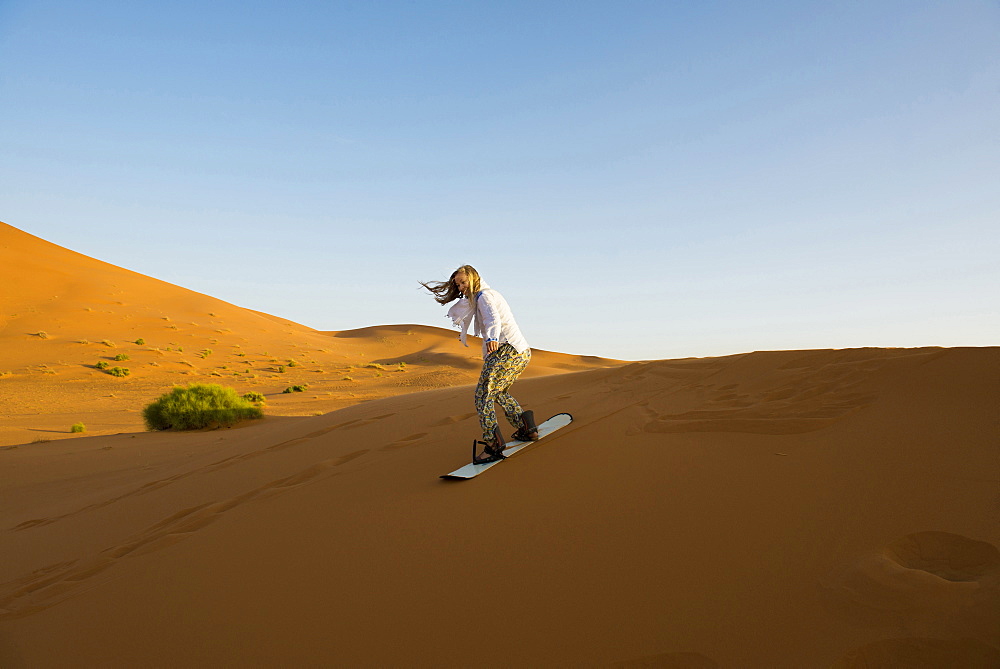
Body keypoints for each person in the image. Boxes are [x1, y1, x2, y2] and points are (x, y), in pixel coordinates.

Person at [421, 265, 538, 464]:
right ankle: (526, 427)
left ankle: (493, 444)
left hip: (506, 349)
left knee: (482, 396)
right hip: (521, 352)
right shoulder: (485, 295)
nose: (461, 287)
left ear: (474, 279)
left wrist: (492, 337)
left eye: (463, 282)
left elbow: (492, 316)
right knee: (498, 392)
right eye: (458, 284)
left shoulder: (484, 296)